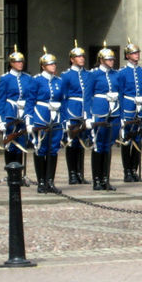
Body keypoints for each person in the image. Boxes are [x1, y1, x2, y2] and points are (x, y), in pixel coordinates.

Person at [28, 47, 65, 194]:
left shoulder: (59, 81)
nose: (53, 66)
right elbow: (30, 101)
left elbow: (63, 100)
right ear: (43, 66)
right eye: (50, 64)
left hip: (55, 117)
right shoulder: (36, 81)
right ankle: (41, 181)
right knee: (41, 149)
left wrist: (64, 119)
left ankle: (50, 181)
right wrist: (29, 121)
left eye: (54, 64)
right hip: (41, 115)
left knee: (53, 149)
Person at [86, 43, 121, 191]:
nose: (111, 61)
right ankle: (97, 180)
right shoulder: (93, 74)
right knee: (98, 145)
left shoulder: (116, 75)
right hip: (99, 110)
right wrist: (87, 115)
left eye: (112, 59)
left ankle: (105, 179)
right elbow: (87, 96)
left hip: (114, 111)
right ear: (101, 60)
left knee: (108, 145)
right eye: (108, 59)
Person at [117, 39, 142, 183]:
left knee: (137, 139)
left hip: (140, 107)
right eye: (133, 53)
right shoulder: (122, 73)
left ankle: (134, 170)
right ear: (127, 55)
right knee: (127, 140)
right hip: (128, 106)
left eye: (137, 53)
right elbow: (120, 93)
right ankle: (127, 171)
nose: (136, 55)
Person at [0, 46, 34, 169]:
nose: (20, 64)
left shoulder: (27, 78)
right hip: (10, 112)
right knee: (10, 143)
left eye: (21, 61)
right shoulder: (5, 78)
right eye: (17, 62)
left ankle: (18, 172)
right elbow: (1, 100)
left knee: (21, 143)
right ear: (11, 63)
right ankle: (10, 172)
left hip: (23, 113)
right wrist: (1, 120)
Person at [60, 41, 90, 185]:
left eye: (83, 56)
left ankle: (80, 173)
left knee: (82, 143)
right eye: (78, 57)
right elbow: (63, 97)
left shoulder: (88, 74)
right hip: (72, 109)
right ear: (72, 59)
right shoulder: (66, 75)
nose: (82, 59)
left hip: (84, 110)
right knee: (71, 143)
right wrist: (65, 117)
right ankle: (72, 173)